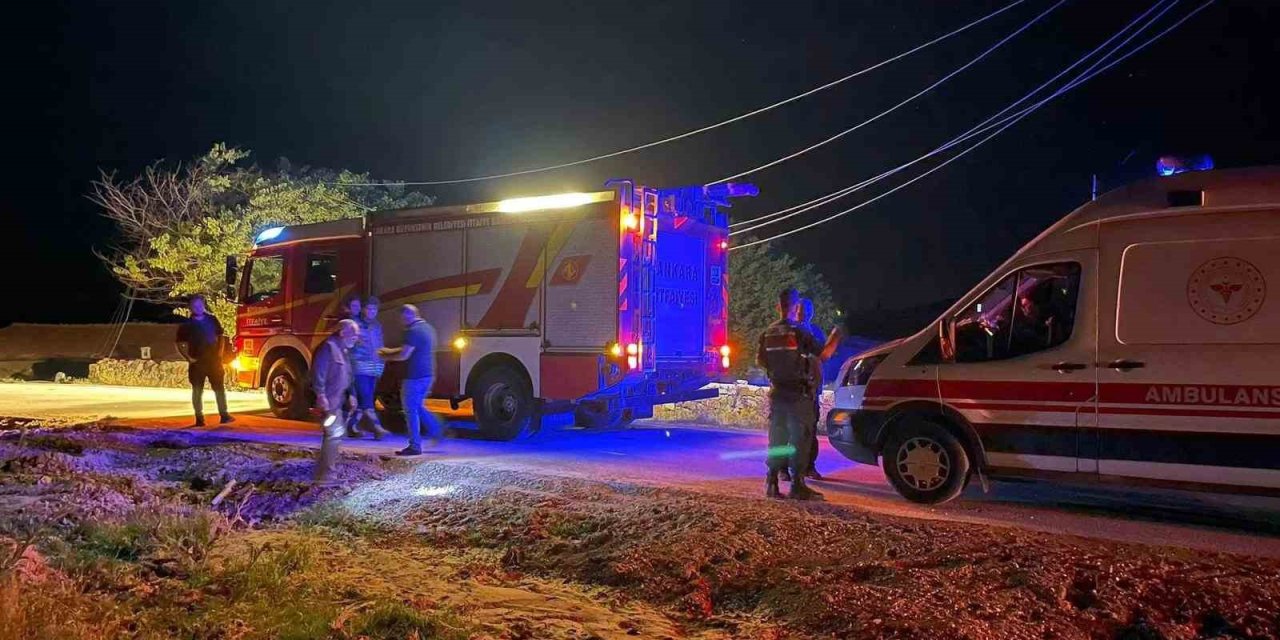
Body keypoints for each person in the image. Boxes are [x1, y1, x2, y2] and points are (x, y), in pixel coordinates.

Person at [756, 288, 841, 501]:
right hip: (798, 395)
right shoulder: (799, 332)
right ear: (795, 307)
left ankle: (772, 483)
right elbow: (824, 355)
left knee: (777, 439)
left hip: (777, 394)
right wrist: (837, 335)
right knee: (799, 439)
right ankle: (797, 485)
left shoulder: (768, 333)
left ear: (779, 306)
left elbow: (761, 362)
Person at [380, 304, 444, 457]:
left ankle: (415, 446)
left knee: (410, 410)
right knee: (418, 406)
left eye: (402, 318)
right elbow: (410, 349)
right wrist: (390, 350)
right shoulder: (428, 328)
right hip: (428, 374)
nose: (401, 321)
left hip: (414, 376)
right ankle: (437, 430)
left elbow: (404, 355)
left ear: (408, 315)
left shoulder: (412, 331)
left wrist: (385, 356)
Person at [311, 319, 360, 483]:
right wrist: (320, 395)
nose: (356, 337)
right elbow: (319, 372)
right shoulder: (328, 348)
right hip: (329, 403)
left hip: (337, 402)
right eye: (354, 333)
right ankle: (326, 476)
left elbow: (348, 375)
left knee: (334, 435)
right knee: (332, 435)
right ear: (343, 332)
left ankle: (326, 473)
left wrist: (352, 394)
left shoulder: (342, 349)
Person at [175, 295, 233, 427]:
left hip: (214, 361)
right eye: (195, 306)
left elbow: (220, 336)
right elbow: (179, 343)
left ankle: (224, 415)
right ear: (190, 307)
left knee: (219, 389)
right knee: (197, 391)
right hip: (197, 363)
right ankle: (199, 418)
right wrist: (188, 358)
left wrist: (219, 354)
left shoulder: (212, 320)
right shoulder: (186, 325)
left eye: (200, 305)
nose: (198, 308)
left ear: (203, 305)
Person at [349, 296, 390, 439]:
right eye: (369, 308)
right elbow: (350, 345)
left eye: (375, 309)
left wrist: (381, 363)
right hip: (359, 367)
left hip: (374, 367)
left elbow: (379, 345)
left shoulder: (377, 326)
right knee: (367, 399)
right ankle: (377, 428)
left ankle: (352, 426)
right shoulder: (355, 324)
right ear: (364, 309)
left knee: (364, 400)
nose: (372, 311)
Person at [797, 298, 827, 481]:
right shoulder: (791, 331)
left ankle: (809, 466)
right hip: (795, 388)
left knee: (810, 430)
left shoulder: (816, 332)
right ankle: (784, 469)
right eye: (801, 310)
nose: (804, 313)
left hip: (812, 389)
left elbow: (821, 357)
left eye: (808, 310)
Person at [340, 295, 363, 437]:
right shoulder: (346, 324)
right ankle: (343, 427)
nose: (357, 309)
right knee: (349, 397)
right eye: (354, 306)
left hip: (358, 365)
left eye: (358, 306)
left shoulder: (360, 321)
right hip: (349, 365)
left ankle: (349, 426)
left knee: (356, 398)